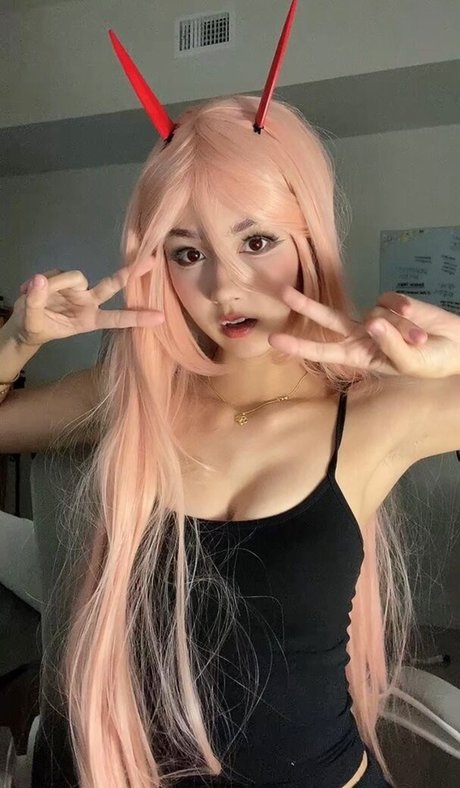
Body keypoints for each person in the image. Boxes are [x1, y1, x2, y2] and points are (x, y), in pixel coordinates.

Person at [2, 3, 460, 786]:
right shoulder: (134, 399)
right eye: (188, 253)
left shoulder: (376, 412)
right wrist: (19, 339)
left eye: (257, 241)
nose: (224, 285)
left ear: (309, 238)